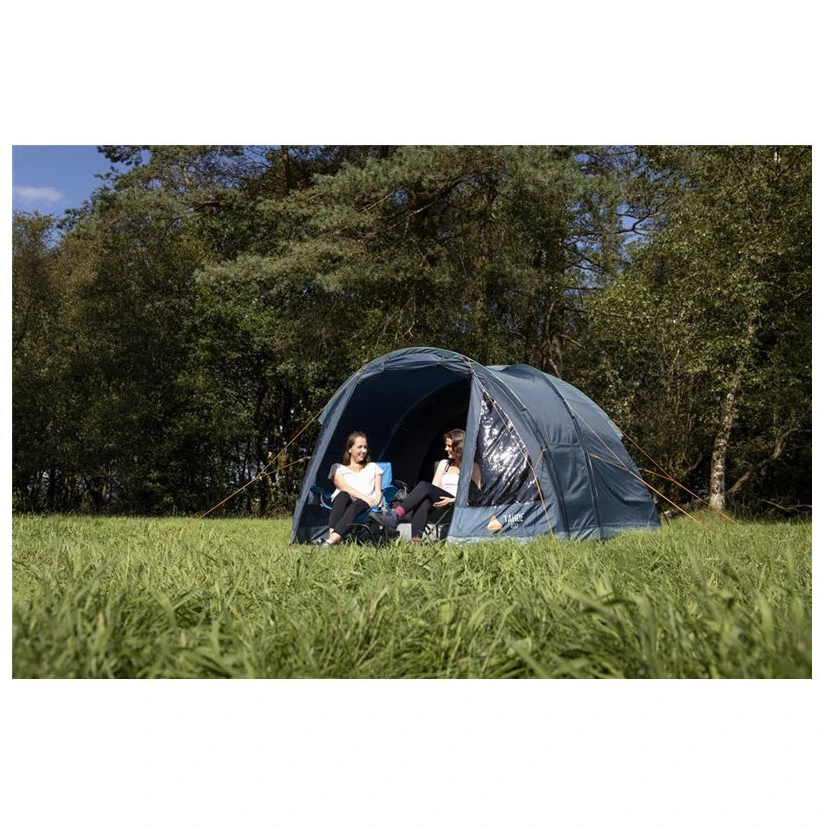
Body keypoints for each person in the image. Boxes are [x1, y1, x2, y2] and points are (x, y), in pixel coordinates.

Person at [371, 429, 481, 541]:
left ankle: (396, 515)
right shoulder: (444, 464)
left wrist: (452, 500)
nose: (445, 449)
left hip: (457, 504)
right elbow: (434, 487)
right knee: (425, 500)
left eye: (449, 446)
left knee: (424, 486)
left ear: (459, 447)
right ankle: (416, 542)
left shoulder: (473, 467)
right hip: (440, 502)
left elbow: (475, 496)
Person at [320, 431, 383, 546]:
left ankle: (329, 542)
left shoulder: (374, 467)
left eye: (365, 447)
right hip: (344, 502)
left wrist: (377, 502)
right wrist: (365, 497)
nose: (364, 450)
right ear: (350, 449)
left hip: (365, 505)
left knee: (358, 503)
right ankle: (332, 538)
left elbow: (379, 491)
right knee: (343, 495)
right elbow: (342, 486)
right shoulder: (338, 468)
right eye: (360, 447)